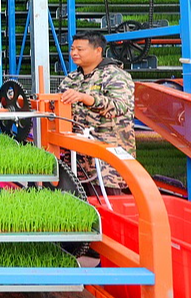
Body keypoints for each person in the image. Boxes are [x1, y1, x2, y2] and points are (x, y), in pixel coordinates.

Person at [58, 32, 136, 195]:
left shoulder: (115, 75)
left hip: (107, 164)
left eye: (80, 49)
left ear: (98, 51)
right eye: (72, 49)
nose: (74, 53)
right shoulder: (71, 79)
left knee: (107, 206)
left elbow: (119, 106)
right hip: (76, 162)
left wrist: (86, 98)